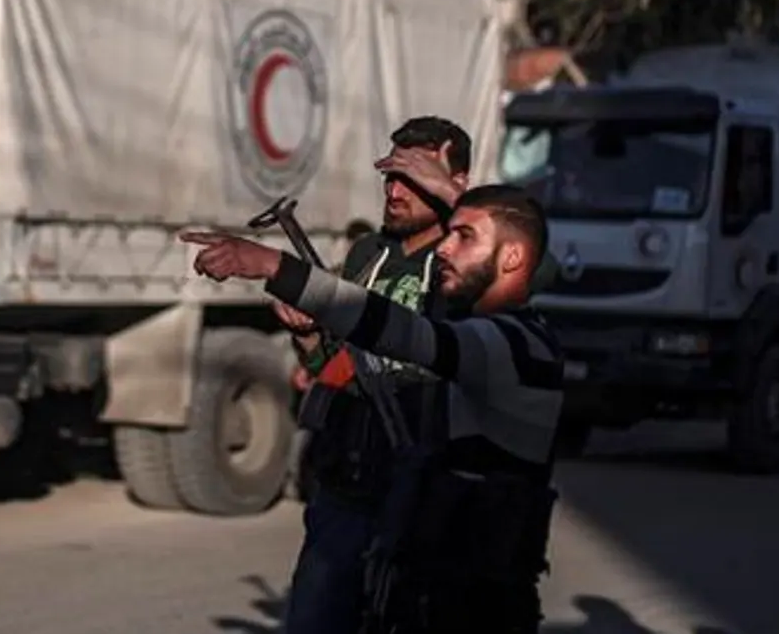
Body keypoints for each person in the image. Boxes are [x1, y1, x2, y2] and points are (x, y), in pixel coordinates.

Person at [186, 182, 566, 634]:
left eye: (465, 236)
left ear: (512, 258)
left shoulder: (515, 345)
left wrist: (272, 266)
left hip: (475, 602)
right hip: (436, 586)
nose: (444, 247)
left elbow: (403, 334)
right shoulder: (488, 338)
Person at [272, 117, 472, 634]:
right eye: (391, 175)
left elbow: (537, 271)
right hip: (349, 483)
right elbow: (334, 367)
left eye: (416, 176)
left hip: (426, 491)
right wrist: (309, 336)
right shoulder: (368, 256)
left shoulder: (467, 262)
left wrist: (456, 202)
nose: (396, 190)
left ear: (457, 184)